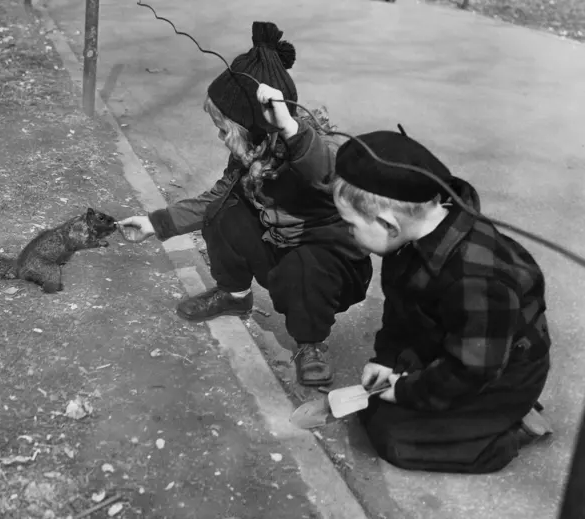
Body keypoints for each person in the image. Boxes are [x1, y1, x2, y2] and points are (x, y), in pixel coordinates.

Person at [117, 21, 372, 387]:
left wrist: (290, 130)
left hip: (328, 268)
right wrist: (154, 222)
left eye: (225, 129)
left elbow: (323, 171)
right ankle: (234, 295)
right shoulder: (252, 154)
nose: (221, 137)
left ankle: (309, 343)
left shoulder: (312, 146)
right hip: (279, 253)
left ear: (251, 125)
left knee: (305, 265)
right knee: (223, 210)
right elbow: (212, 199)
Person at [332, 128, 553, 473]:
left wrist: (405, 392)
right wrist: (387, 358)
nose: (346, 232)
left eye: (350, 224)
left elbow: (474, 367)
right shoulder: (410, 239)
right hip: (459, 343)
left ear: (388, 223)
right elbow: (401, 308)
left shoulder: (477, 277)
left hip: (501, 372)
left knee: (394, 439)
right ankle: (467, 419)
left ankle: (508, 434)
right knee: (373, 407)